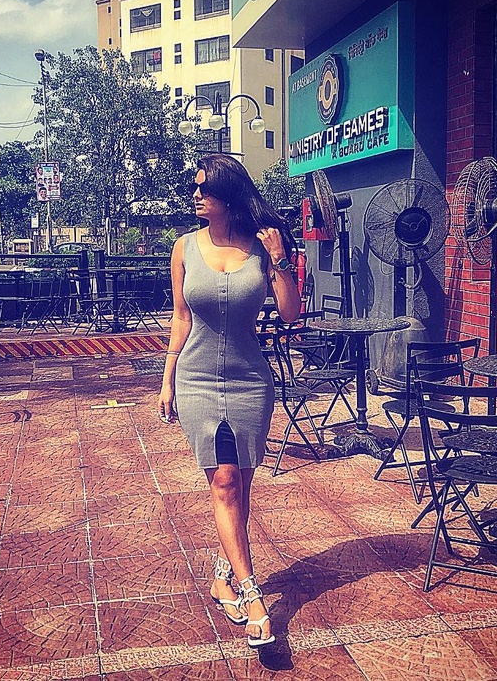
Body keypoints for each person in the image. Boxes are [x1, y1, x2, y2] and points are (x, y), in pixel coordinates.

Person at [158, 153, 300, 647]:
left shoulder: (263, 248)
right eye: (195, 187)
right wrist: (167, 378)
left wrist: (280, 259)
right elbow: (181, 317)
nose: (196, 195)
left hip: (250, 381)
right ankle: (252, 593)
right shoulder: (184, 247)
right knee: (223, 480)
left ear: (228, 194)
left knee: (240, 483)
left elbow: (290, 313)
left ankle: (223, 577)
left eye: (206, 189)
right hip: (196, 378)